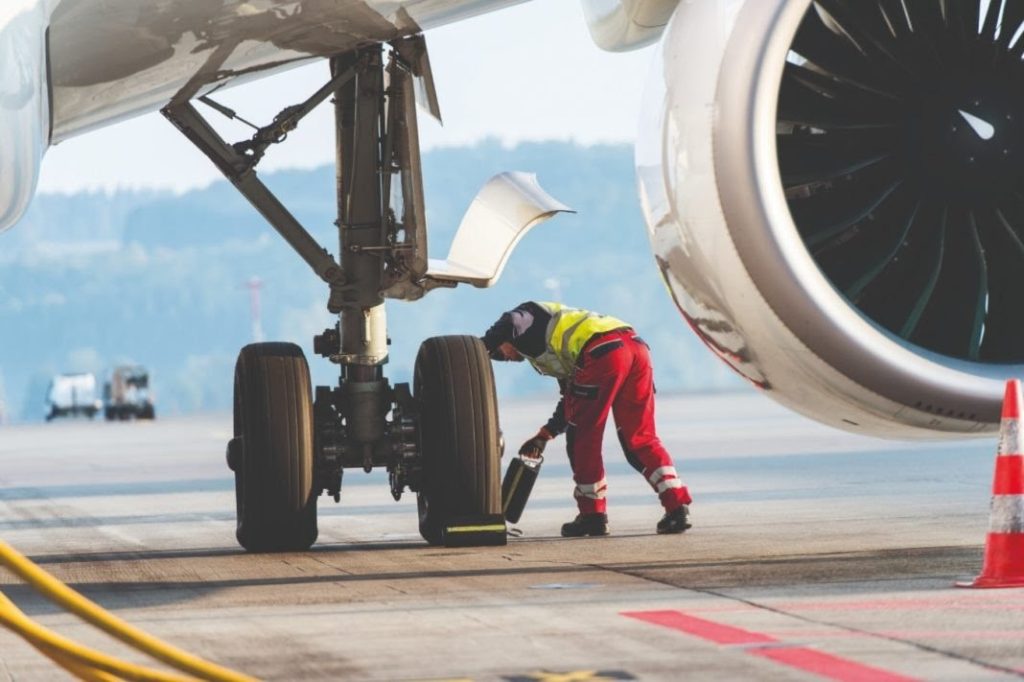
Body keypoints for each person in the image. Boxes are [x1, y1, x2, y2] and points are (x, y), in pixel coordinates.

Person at [482, 301, 692, 537]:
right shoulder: (554, 348)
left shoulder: (528, 317)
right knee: (640, 438)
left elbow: (510, 321)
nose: (505, 358)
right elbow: (572, 403)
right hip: (636, 349)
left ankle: (593, 515)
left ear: (504, 340)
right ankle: (677, 507)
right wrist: (545, 435)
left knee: (583, 438)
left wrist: (479, 348)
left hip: (602, 353)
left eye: (500, 353)